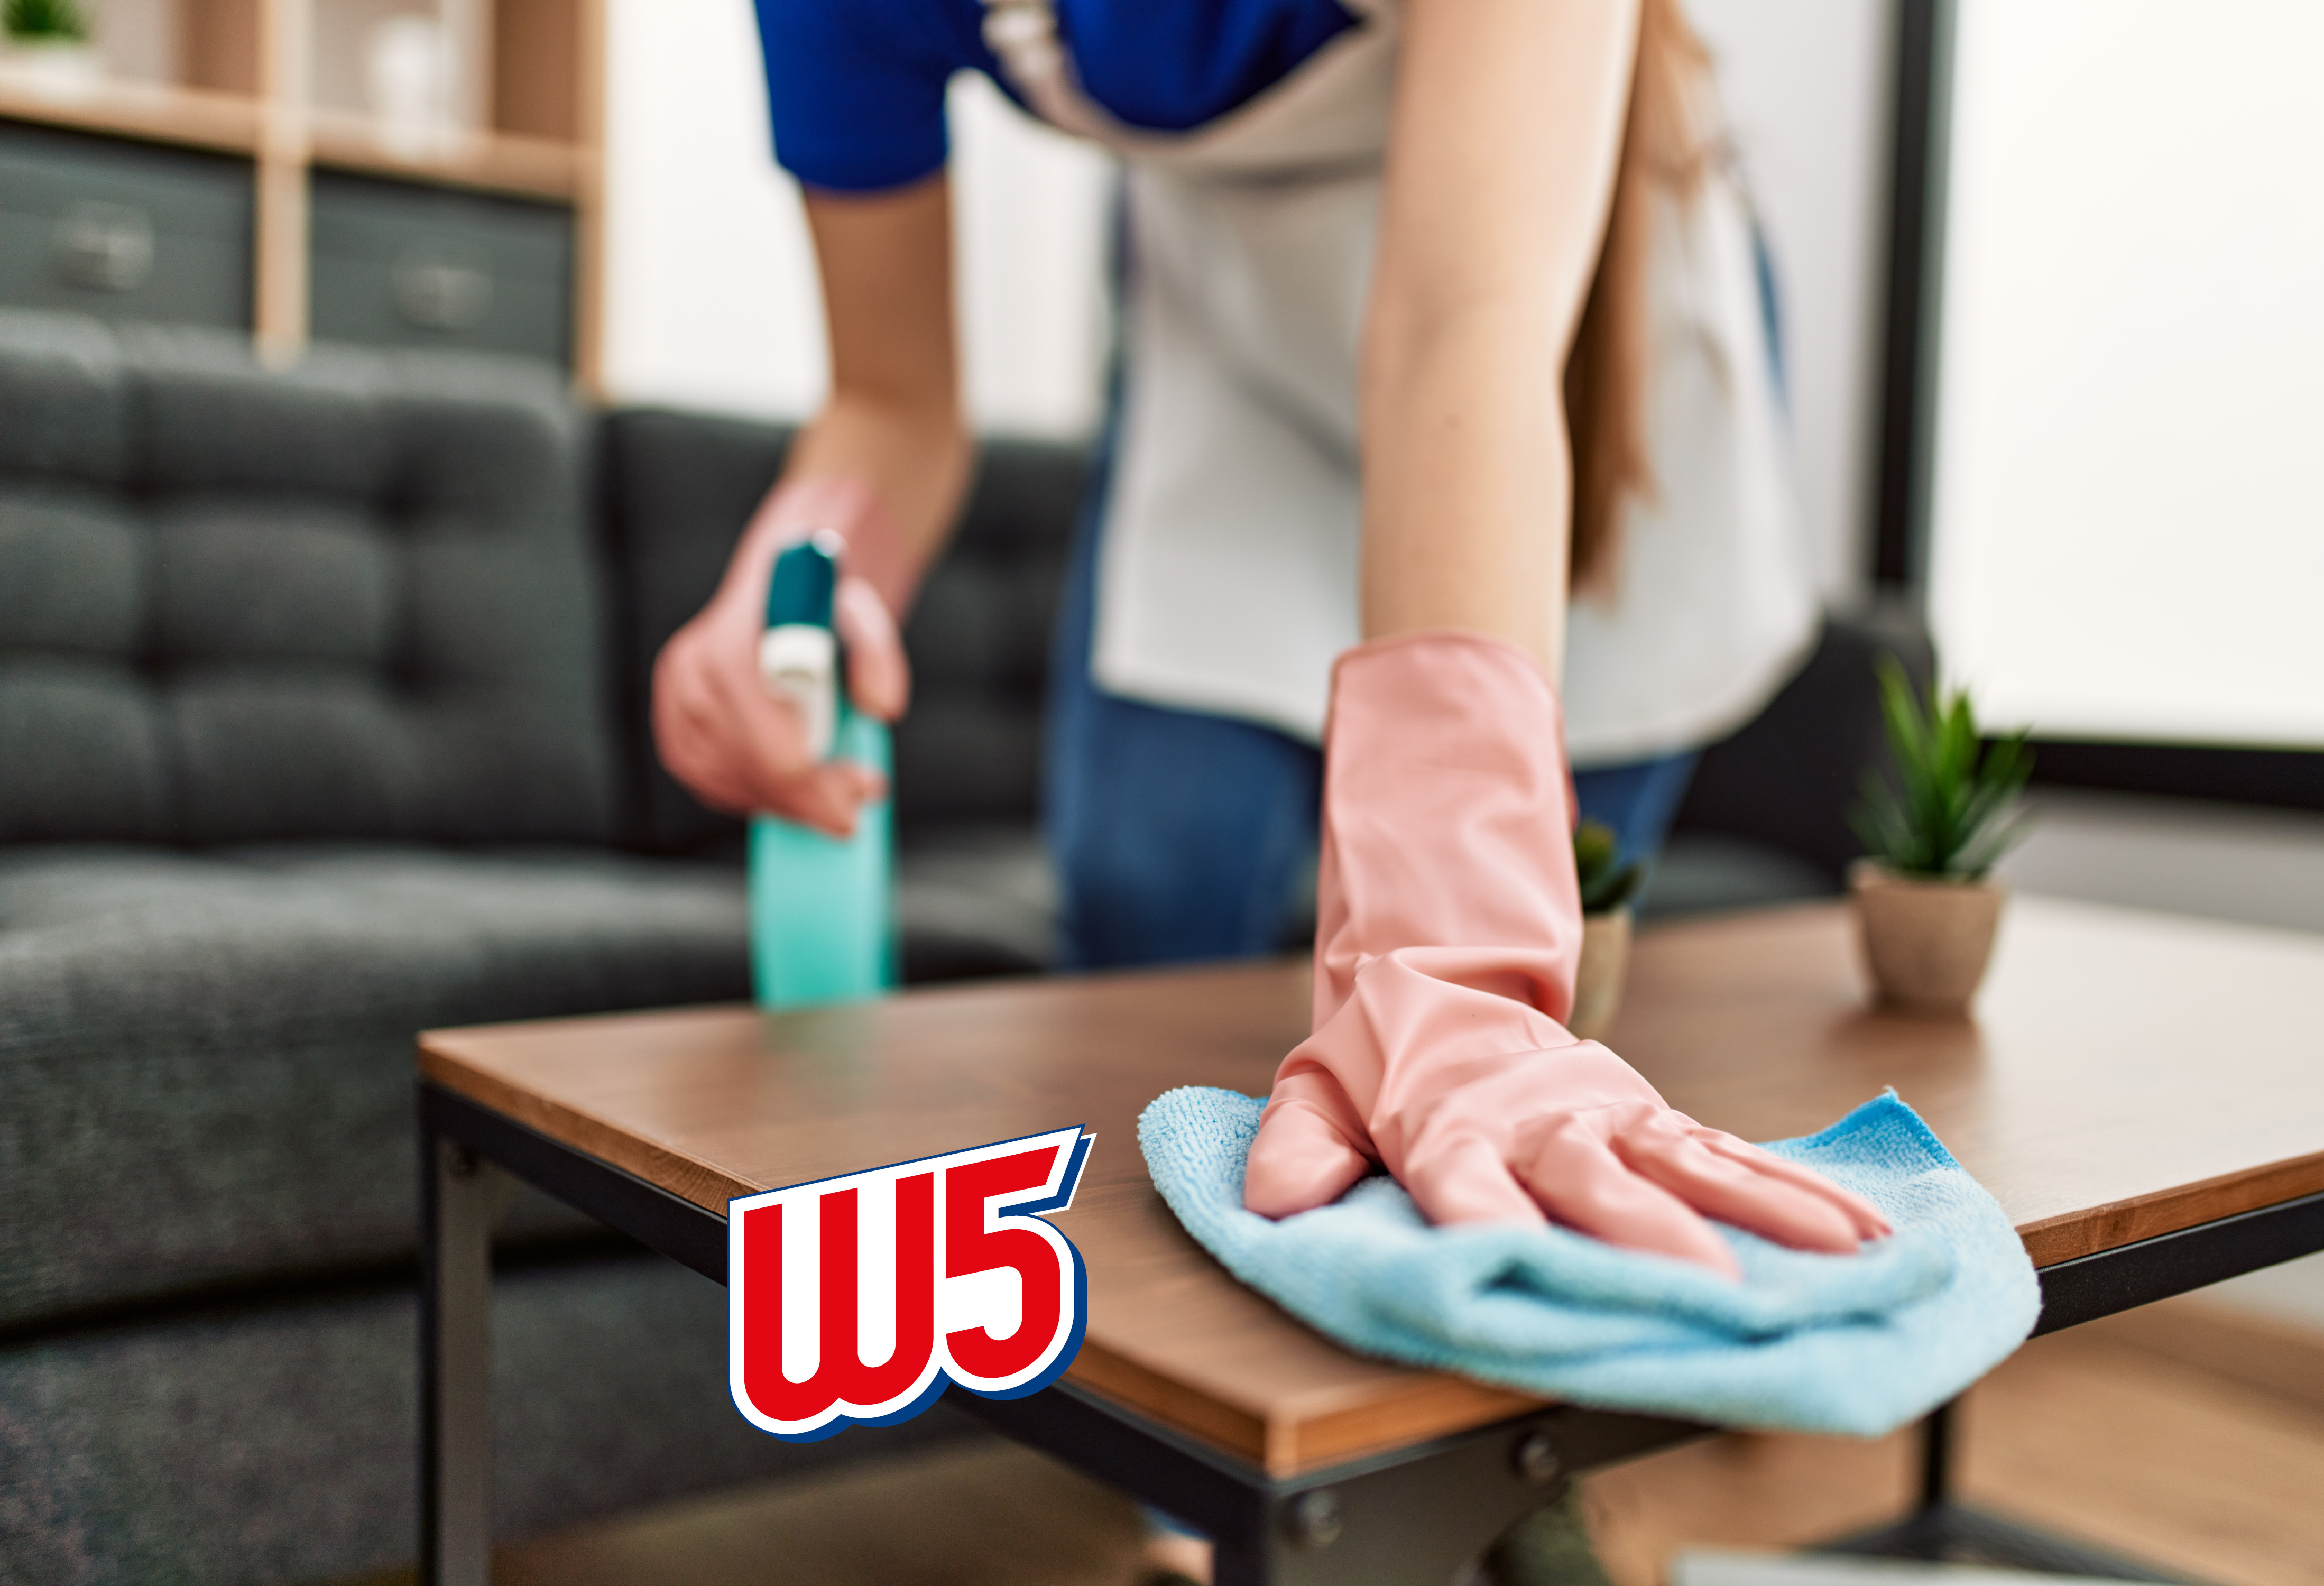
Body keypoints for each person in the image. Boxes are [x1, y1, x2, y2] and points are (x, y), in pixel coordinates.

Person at [657, 1, 1889, 1576]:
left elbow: (1463, 320)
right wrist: (806, 563)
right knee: (1150, 899)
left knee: (1527, 977)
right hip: (1234, 335)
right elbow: (893, 400)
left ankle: (1496, 1472)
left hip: (1556, 327)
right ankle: (1222, 1497)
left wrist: (1452, 955)